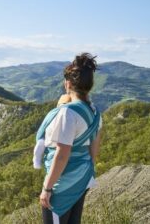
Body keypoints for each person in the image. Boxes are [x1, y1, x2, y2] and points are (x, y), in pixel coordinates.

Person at [32, 53, 103, 224]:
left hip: (62, 183)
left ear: (68, 83)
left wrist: (47, 188)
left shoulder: (68, 113)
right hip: (82, 177)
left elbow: (62, 153)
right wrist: (87, 172)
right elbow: (94, 149)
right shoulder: (95, 113)